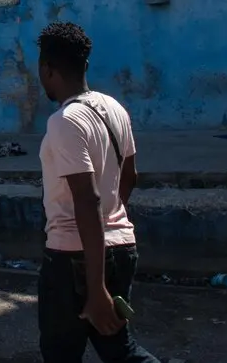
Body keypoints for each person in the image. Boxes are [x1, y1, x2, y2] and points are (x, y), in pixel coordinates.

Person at [35, 22, 159, 363]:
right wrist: (110, 222)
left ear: (47, 69)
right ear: (85, 66)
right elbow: (129, 177)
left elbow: (86, 200)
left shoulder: (65, 121)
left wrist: (97, 287)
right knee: (119, 349)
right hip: (121, 248)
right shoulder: (114, 108)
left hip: (72, 260)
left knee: (61, 354)